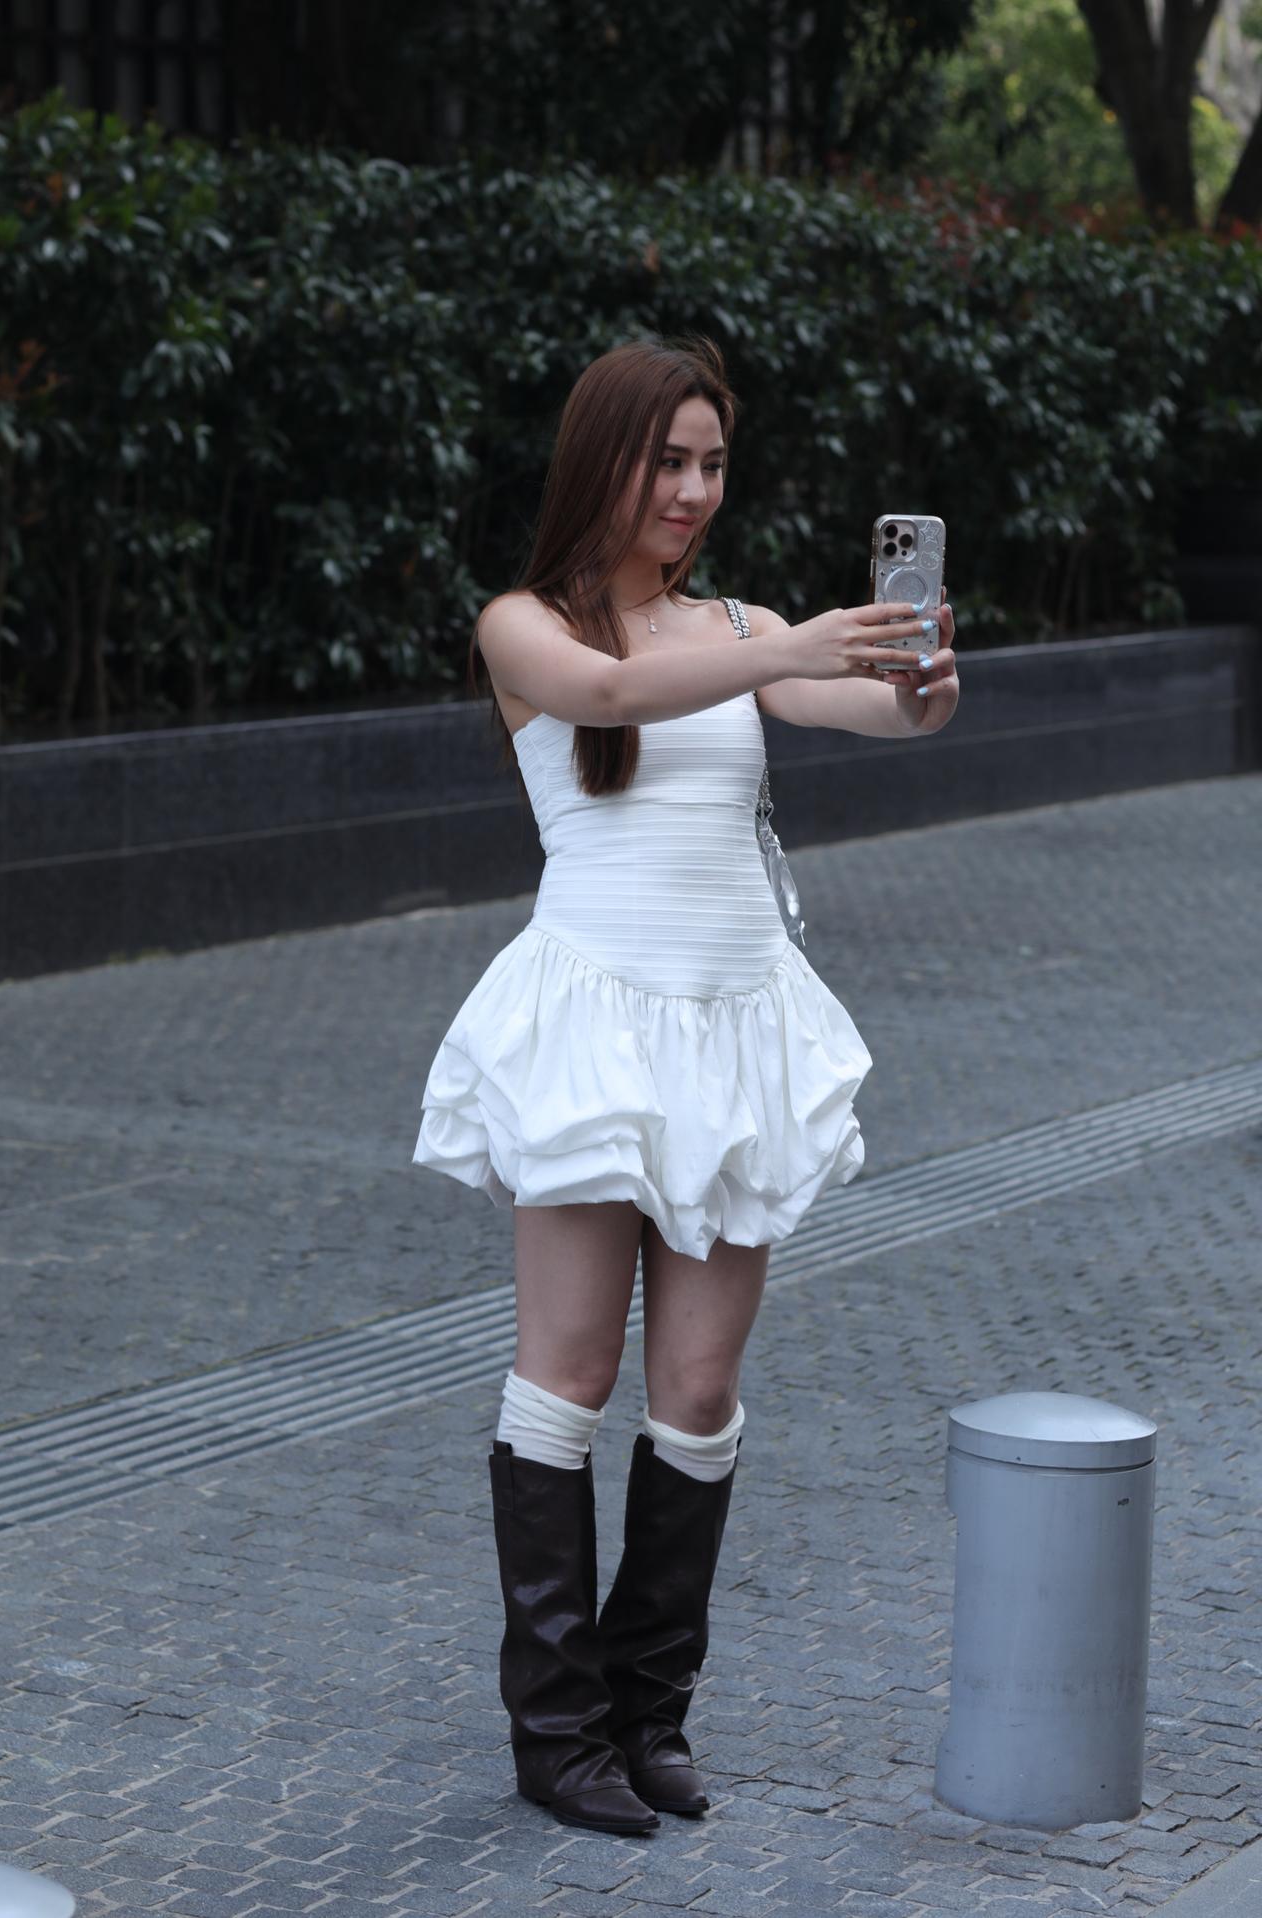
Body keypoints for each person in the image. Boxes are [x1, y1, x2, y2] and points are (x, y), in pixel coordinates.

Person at [411, 336, 959, 1838]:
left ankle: (648, 1714)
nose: (695, 490)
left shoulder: (743, 623)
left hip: (735, 1032)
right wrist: (787, 652)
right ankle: (556, 1728)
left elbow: (872, 712)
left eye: (713, 463)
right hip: (592, 1033)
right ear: (605, 458)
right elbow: (610, 687)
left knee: (700, 1392)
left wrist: (921, 688)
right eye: (669, 460)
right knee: (569, 1372)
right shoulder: (526, 626)